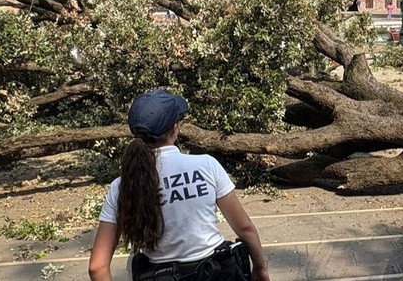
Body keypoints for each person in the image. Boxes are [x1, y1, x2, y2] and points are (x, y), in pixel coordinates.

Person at [89, 89, 270, 281]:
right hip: (216, 272)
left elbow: (97, 267)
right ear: (175, 128)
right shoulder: (206, 166)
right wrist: (260, 268)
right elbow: (245, 228)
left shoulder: (121, 186)